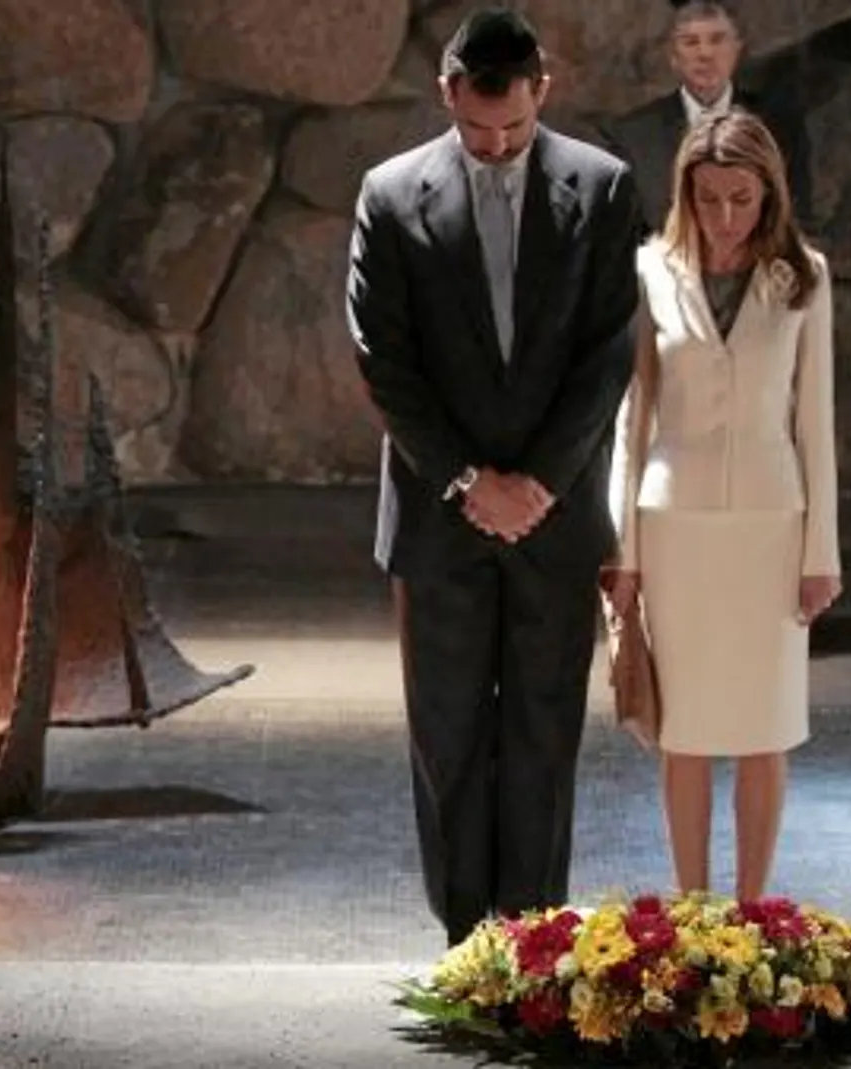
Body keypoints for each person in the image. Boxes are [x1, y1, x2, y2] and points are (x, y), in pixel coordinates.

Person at [346, 7, 644, 946]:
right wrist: (472, 480)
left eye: (513, 128)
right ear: (447, 93)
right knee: (446, 735)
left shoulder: (601, 188)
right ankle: (465, 940)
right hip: (441, 518)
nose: (496, 146)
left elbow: (608, 352)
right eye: (478, 129)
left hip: (555, 520)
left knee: (544, 735)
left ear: (541, 91)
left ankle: (537, 938)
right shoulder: (390, 195)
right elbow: (383, 360)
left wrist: (540, 484)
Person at [605, 109, 840, 903]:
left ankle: (751, 912)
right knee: (687, 733)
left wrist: (822, 556)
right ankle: (693, 909)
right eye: (709, 199)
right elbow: (631, 418)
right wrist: (624, 552)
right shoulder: (648, 271)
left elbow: (816, 422)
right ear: (685, 194)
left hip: (774, 529)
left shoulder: (805, 275)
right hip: (674, 529)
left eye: (741, 198)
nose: (725, 217)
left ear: (769, 194)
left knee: (768, 729)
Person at [607, 1, 813, 234]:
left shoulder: (777, 127)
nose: (705, 54)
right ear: (673, 56)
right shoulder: (634, 136)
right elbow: (623, 235)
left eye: (717, 40)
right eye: (690, 42)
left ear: (737, 49)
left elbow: (798, 221)